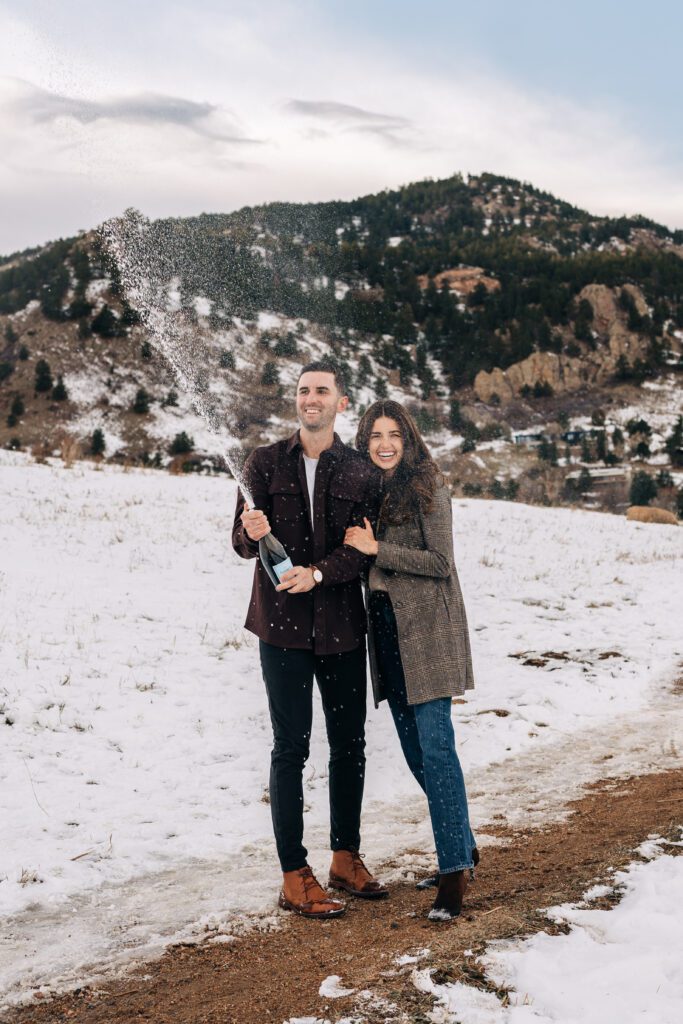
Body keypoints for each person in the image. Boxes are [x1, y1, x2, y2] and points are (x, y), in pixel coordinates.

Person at [232, 360, 388, 919]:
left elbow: (361, 548)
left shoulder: (361, 471)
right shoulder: (264, 462)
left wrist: (319, 573)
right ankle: (293, 873)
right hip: (282, 631)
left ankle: (345, 858)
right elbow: (241, 541)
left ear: (341, 402)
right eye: (303, 391)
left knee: (350, 746)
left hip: (343, 628)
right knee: (290, 748)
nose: (311, 398)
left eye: (322, 390)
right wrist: (251, 535)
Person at [344, 399, 477, 921]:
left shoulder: (428, 487)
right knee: (418, 755)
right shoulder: (366, 494)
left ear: (409, 438)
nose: (384, 443)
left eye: (394, 433)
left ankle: (452, 875)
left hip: (429, 636)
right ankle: (462, 848)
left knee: (438, 752)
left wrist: (378, 550)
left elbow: (441, 562)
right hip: (388, 638)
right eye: (375, 434)